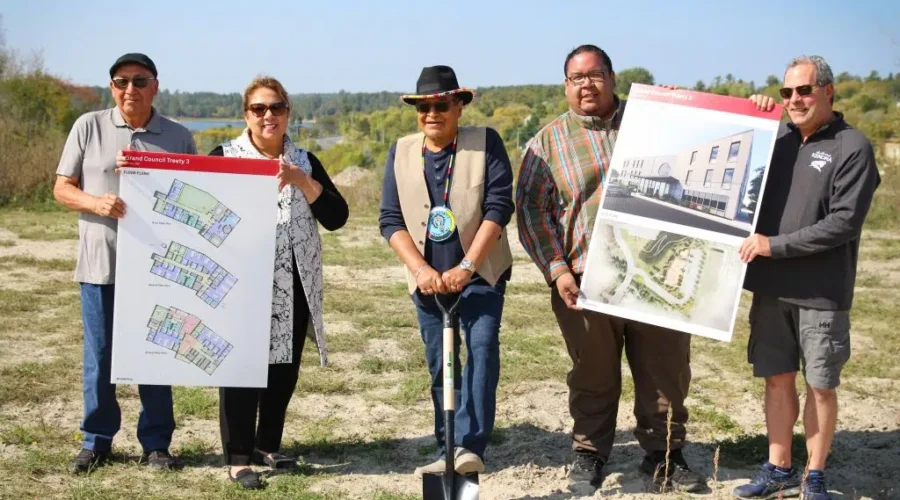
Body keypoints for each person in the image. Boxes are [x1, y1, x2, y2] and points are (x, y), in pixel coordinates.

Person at [515, 44, 705, 494]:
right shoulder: (547, 142)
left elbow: (702, 149)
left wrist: (680, 110)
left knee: (666, 370)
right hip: (584, 282)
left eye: (595, 74)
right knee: (593, 373)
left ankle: (665, 456)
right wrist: (557, 270)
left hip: (658, 271)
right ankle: (588, 454)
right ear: (565, 85)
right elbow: (531, 213)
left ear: (613, 77)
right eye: (576, 78)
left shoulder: (652, 125)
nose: (586, 84)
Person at [733, 56, 880, 500]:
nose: (795, 100)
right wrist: (754, 114)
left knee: (820, 385)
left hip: (820, 291)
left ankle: (814, 475)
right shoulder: (777, 138)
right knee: (777, 378)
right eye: (786, 92)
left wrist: (773, 246)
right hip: (771, 288)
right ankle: (778, 466)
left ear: (828, 91)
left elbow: (843, 223)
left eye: (804, 90)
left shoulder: (852, 146)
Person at [53, 53, 197, 473]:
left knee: (155, 353)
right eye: (121, 82)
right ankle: (96, 441)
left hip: (158, 271)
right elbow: (62, 189)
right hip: (102, 265)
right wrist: (96, 202)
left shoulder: (178, 136)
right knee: (100, 356)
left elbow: (194, 195)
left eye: (139, 81)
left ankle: (156, 445)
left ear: (155, 85)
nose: (129, 89)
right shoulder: (88, 126)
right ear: (111, 87)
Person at [209, 76, 348, 489]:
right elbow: (191, 203)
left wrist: (303, 181)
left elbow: (337, 217)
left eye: (276, 108)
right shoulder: (225, 156)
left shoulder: (306, 159)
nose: (268, 116)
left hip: (295, 280)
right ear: (245, 115)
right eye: (259, 109)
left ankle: (267, 444)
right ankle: (237, 456)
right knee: (242, 368)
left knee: (283, 367)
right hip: (242, 282)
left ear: (288, 112)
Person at [378, 65, 514, 477]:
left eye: (440, 105)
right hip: (428, 282)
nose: (431, 113)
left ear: (459, 106)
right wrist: (420, 270)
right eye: (423, 107)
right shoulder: (401, 151)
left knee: (483, 351)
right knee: (442, 363)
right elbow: (390, 219)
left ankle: (471, 446)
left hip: (481, 273)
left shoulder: (485, 143)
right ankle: (447, 445)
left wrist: (468, 265)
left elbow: (498, 207)